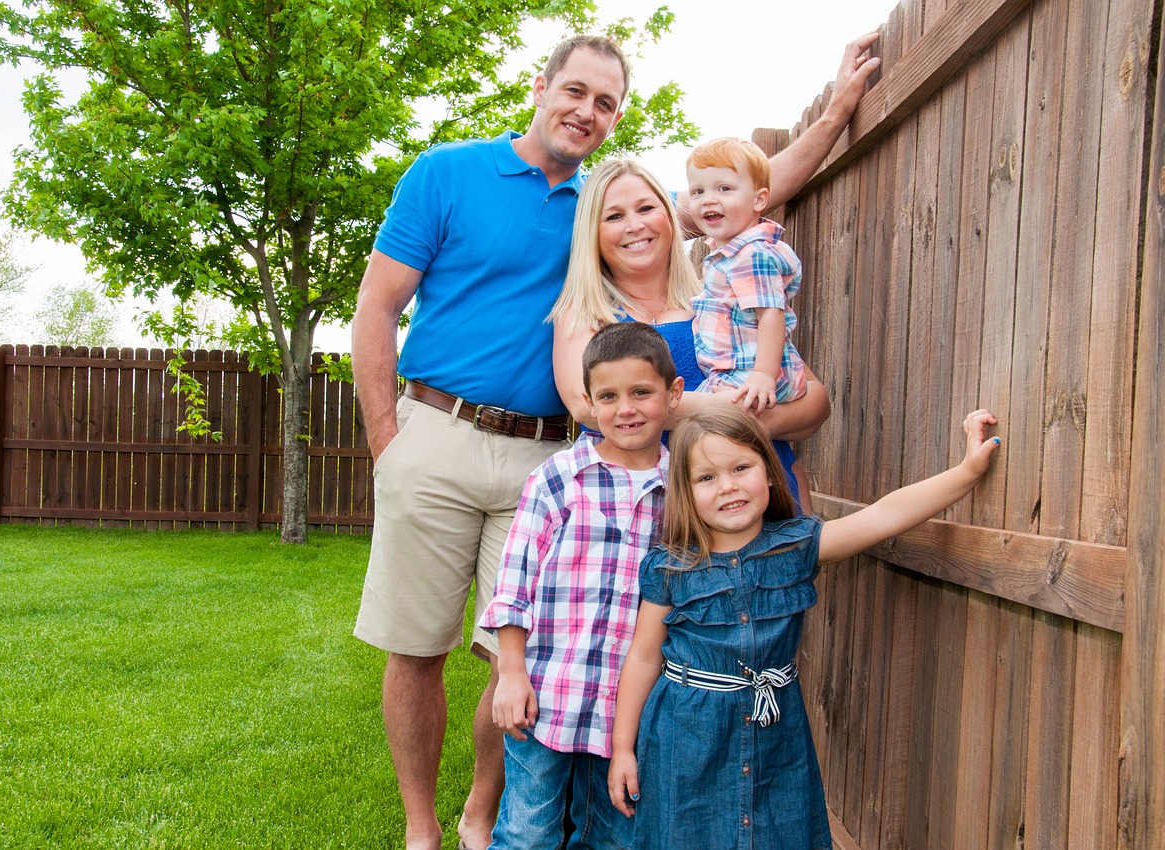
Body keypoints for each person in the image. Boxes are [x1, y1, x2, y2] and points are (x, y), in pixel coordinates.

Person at [351, 30, 883, 850]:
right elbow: (382, 309)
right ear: (541, 86)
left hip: (619, 480)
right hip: (454, 434)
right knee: (426, 645)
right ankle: (434, 829)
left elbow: (750, 192)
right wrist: (390, 442)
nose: (587, 111)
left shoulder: (654, 244)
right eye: (576, 93)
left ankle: (497, 811)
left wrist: (844, 106)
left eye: (605, 103)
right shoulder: (458, 178)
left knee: (544, 656)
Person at [607, 407, 1002, 848]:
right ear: (685, 491)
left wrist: (967, 471)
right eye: (707, 478)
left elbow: (885, 515)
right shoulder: (670, 567)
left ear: (770, 474)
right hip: (687, 738)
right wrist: (623, 749)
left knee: (782, 832)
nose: (729, 487)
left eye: (742, 467)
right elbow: (643, 656)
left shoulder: (796, 547)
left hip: (778, 735)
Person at [479, 322, 681, 849]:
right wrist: (511, 673)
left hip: (630, 708)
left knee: (618, 835)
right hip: (548, 696)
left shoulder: (682, 489)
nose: (626, 408)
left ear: (673, 394)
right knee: (528, 832)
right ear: (588, 403)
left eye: (641, 392)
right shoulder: (558, 478)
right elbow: (514, 581)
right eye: (608, 396)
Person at [549, 158, 820, 510]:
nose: (635, 225)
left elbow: (814, 399)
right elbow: (585, 406)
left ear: (671, 218)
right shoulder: (582, 313)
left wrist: (764, 420)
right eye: (614, 216)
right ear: (592, 232)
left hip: (754, 495)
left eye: (646, 208)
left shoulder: (719, 298)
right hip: (645, 503)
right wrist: (735, 414)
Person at [686, 137, 807, 410]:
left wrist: (763, 375)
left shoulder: (751, 254)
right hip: (735, 372)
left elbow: (771, 315)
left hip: (751, 375)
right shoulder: (729, 253)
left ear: (758, 199)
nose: (708, 199)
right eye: (697, 191)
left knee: (688, 413)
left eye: (724, 188)